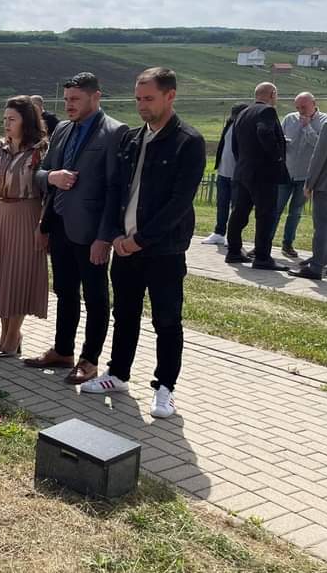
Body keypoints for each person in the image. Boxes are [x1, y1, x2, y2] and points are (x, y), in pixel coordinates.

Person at [82, 67, 205, 420]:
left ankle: (165, 387)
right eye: (137, 98)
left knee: (167, 320)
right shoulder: (131, 139)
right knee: (125, 314)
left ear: (170, 96)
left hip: (163, 251)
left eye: (149, 98)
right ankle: (118, 374)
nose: (141, 105)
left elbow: (178, 203)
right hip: (124, 247)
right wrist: (112, 235)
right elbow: (116, 191)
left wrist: (141, 239)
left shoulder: (188, 141)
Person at [25, 72, 128, 384]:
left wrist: (104, 237)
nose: (69, 105)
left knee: (95, 297)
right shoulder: (62, 129)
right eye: (67, 99)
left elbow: (115, 190)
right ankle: (62, 350)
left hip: (91, 232)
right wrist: (51, 178)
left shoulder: (114, 132)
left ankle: (89, 359)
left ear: (96, 97)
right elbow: (41, 173)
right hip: (59, 225)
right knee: (65, 291)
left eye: (76, 100)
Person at [0, 96, 49, 356]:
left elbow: (48, 192)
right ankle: (6, 334)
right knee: (1, 276)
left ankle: (12, 337)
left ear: (26, 121)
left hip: (28, 214)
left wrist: (43, 225)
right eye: (5, 118)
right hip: (2, 215)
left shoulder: (40, 150)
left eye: (12, 119)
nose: (6, 123)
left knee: (19, 277)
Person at [227, 82, 289, 270]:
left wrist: (242, 162)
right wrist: (277, 156)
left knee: (239, 213)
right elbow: (264, 132)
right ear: (272, 94)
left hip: (243, 170)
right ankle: (262, 257)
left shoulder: (243, 113)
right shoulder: (267, 111)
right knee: (265, 215)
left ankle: (234, 251)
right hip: (263, 173)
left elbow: (235, 143)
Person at [276, 93, 327, 257]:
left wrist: (307, 128)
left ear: (314, 104)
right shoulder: (289, 118)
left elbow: (321, 147)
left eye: (303, 107)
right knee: (275, 209)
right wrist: (283, 142)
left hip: (305, 176)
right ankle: (263, 244)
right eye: (297, 107)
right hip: (286, 172)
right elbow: (278, 139)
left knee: (295, 212)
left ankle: (287, 244)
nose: (300, 111)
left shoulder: (324, 121)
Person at [201, 103, 247, 245]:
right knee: (221, 204)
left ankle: (232, 235)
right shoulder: (228, 126)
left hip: (237, 175)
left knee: (236, 207)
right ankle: (219, 232)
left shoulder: (246, 129)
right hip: (223, 172)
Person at [290, 120, 327, 280]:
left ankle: (316, 267)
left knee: (322, 227)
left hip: (325, 186)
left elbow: (319, 156)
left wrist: (309, 183)